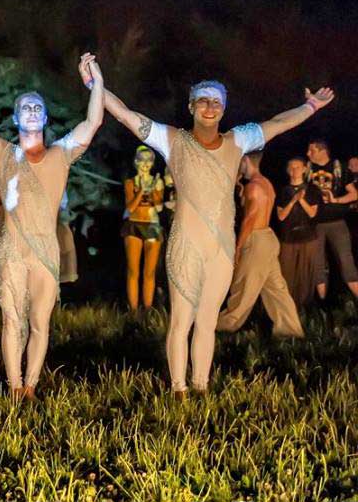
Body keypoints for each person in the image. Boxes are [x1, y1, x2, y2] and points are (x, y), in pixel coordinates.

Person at [85, 54, 333, 397]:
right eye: (202, 100)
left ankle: (200, 388)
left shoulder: (238, 140)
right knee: (180, 322)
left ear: (224, 108)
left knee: (206, 323)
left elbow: (278, 123)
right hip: (185, 247)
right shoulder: (172, 139)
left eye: (216, 101)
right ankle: (178, 389)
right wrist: (95, 85)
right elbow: (127, 116)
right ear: (191, 106)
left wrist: (311, 106)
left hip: (220, 249)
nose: (209, 107)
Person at [0, 55, 103, 400]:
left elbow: (93, 121)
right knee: (13, 319)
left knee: (40, 321)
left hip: (45, 250)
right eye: (25, 107)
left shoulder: (61, 153)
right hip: (12, 248)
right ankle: (14, 386)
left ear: (45, 117)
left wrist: (96, 82)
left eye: (37, 107)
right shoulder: (3, 153)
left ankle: (31, 385)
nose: (31, 111)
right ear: (15, 117)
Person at [216, 153, 304, 337]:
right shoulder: (265, 183)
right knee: (276, 289)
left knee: (243, 288)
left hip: (256, 240)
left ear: (246, 161)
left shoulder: (253, 187)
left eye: (239, 161)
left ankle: (223, 327)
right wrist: (239, 187)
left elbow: (249, 219)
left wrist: (238, 248)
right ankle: (291, 331)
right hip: (268, 237)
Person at [305, 140, 358, 300]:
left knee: (346, 260)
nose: (308, 154)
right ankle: (322, 304)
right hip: (314, 223)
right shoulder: (307, 169)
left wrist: (336, 200)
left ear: (322, 151)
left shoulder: (339, 167)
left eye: (312, 150)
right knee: (317, 264)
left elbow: (354, 194)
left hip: (337, 222)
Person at [122, 146, 165, 311]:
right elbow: (130, 207)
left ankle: (147, 309)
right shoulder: (130, 182)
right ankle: (133, 311)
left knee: (150, 272)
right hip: (134, 225)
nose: (145, 163)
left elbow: (159, 207)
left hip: (152, 225)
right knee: (133, 271)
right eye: (142, 159)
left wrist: (153, 190)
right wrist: (141, 191)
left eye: (149, 160)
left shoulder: (158, 181)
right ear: (136, 162)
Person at [276, 157, 322, 308]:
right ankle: (288, 306)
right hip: (288, 238)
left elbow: (312, 213)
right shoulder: (283, 191)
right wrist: (293, 201)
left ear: (304, 169)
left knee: (306, 275)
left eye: (297, 167)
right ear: (287, 170)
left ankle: (304, 307)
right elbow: (281, 216)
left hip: (308, 237)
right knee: (287, 274)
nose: (294, 170)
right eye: (291, 167)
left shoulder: (312, 190)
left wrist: (301, 200)